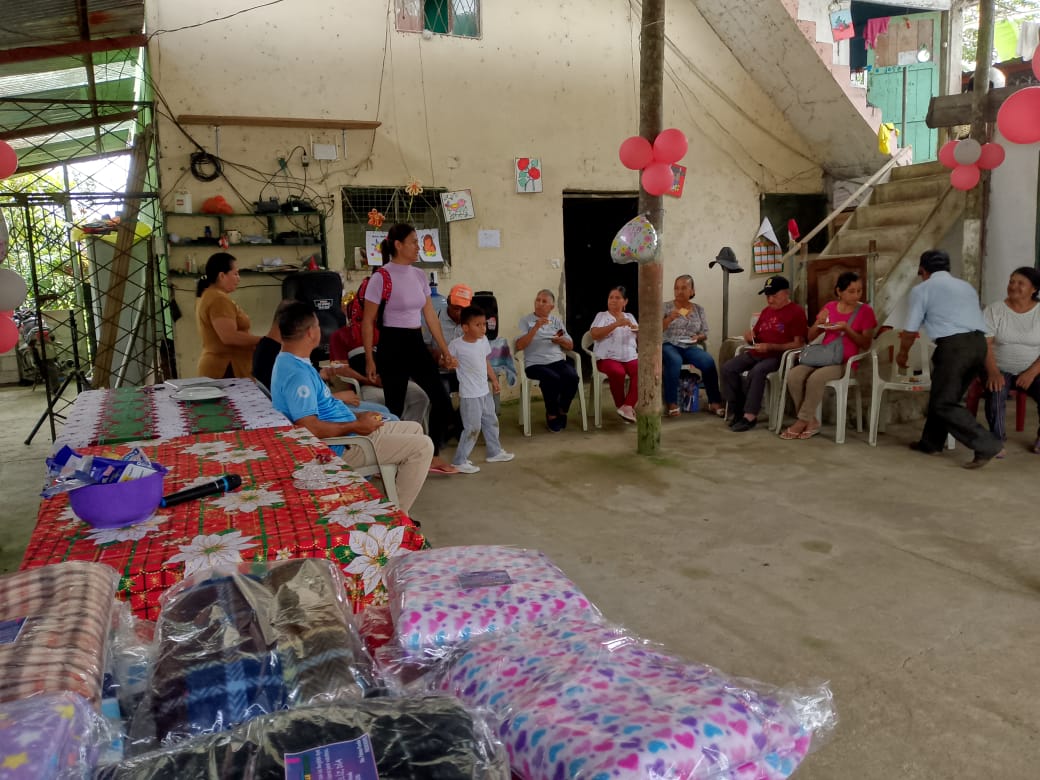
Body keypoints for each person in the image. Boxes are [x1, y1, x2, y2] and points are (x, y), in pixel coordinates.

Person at [270, 300, 433, 513]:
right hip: (339, 446)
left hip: (347, 432)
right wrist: (355, 425)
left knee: (414, 428)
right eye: (318, 326)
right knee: (423, 446)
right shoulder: (298, 375)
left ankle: (393, 498)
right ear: (311, 333)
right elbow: (308, 427)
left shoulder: (289, 360)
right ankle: (397, 516)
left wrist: (356, 418)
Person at [362, 223, 459, 475]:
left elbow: (430, 315)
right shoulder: (381, 277)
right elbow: (368, 321)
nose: (418, 247)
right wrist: (370, 359)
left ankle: (434, 455)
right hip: (391, 345)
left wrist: (445, 350)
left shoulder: (418, 275)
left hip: (416, 343)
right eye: (414, 242)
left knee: (441, 400)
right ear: (398, 245)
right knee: (394, 407)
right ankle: (386, 460)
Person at [899, 249, 1003, 468]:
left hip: (955, 348)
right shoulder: (965, 287)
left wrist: (902, 354)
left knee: (943, 403)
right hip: (978, 345)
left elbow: (910, 330)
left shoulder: (922, 289)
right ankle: (930, 443)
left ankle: (986, 443)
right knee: (945, 396)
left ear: (922, 270)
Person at [254, 300, 398, 421]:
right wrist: (338, 398)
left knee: (385, 412)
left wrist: (322, 374)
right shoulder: (276, 356)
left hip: (326, 408)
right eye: (316, 325)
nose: (321, 330)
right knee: (391, 419)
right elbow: (296, 404)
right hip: (326, 416)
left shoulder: (284, 354)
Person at [781, 271, 877, 439]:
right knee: (794, 375)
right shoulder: (830, 307)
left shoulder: (865, 311)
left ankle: (801, 421)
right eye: (851, 291)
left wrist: (846, 329)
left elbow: (866, 344)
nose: (856, 295)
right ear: (839, 291)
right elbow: (810, 337)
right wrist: (818, 322)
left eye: (859, 291)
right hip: (823, 357)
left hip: (845, 362)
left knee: (816, 378)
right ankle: (811, 421)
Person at [328, 295, 431, 426]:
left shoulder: (383, 330)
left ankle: (407, 427)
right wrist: (369, 380)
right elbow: (341, 368)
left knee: (420, 396)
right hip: (366, 384)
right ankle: (392, 430)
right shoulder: (339, 336)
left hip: (395, 378)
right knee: (378, 402)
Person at [721, 275, 807, 432]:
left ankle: (750, 416)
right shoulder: (766, 311)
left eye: (774, 296)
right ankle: (738, 409)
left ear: (786, 293)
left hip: (778, 356)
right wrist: (750, 337)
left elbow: (798, 344)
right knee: (728, 368)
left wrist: (771, 347)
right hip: (757, 352)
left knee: (757, 371)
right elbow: (756, 335)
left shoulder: (796, 312)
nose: (770, 300)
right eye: (768, 296)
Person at [447, 306, 514, 473]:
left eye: (484, 324)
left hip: (485, 391)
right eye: (478, 325)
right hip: (470, 396)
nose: (483, 328)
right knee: (472, 428)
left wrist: (494, 380)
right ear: (465, 327)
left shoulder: (483, 341)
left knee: (491, 421)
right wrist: (449, 363)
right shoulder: (456, 345)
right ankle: (459, 461)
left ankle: (494, 452)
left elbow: (485, 361)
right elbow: (446, 362)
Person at [981, 266, 1040, 452]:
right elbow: (985, 344)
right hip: (999, 367)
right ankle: (997, 440)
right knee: (996, 391)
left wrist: (1032, 372)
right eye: (1011, 281)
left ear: (1034, 289)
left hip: (1033, 369)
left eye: (1021, 283)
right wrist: (993, 372)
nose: (1013, 286)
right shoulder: (994, 310)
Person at [661, 275, 724, 418]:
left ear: (692, 291)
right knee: (674, 360)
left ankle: (714, 401)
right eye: (676, 288)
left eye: (684, 288)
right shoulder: (665, 307)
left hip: (690, 346)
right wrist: (669, 318)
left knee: (708, 361)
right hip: (670, 344)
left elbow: (705, 332)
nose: (679, 291)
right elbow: (656, 330)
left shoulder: (698, 309)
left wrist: (698, 337)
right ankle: (672, 403)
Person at [516, 289, 579, 432]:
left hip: (556, 361)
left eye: (544, 301)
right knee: (552, 378)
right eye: (537, 300)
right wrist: (535, 328)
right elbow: (519, 345)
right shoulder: (526, 321)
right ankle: (552, 414)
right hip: (535, 364)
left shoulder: (556, 321)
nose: (539, 303)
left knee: (572, 377)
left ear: (551, 307)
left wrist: (560, 340)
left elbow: (570, 345)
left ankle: (562, 410)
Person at [195, 252, 260, 378]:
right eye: (235, 274)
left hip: (228, 365)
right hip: (226, 368)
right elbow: (229, 337)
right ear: (222, 276)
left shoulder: (210, 295)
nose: (238, 278)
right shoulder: (218, 299)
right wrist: (264, 341)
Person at [590, 286, 639, 423]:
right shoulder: (602, 316)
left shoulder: (630, 317)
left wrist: (638, 331)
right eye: (611, 297)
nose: (613, 300)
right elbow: (594, 334)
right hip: (607, 357)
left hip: (629, 356)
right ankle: (621, 406)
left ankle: (627, 406)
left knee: (643, 370)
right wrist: (616, 324)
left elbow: (638, 338)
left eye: (618, 298)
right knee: (618, 372)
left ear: (625, 301)